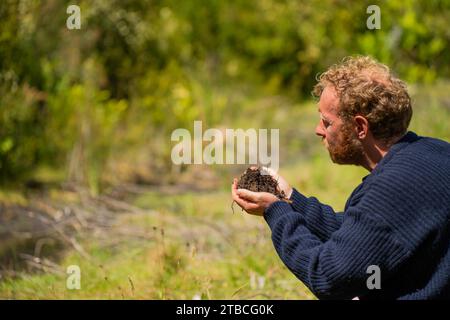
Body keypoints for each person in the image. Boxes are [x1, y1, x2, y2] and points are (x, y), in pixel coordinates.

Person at [231, 56, 450, 300]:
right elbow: (362, 234)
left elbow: (328, 276)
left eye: (327, 122)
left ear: (360, 127)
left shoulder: (391, 189)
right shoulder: (436, 152)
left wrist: (276, 212)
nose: (318, 130)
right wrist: (291, 199)